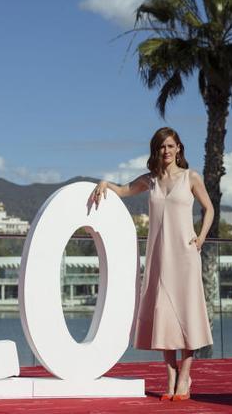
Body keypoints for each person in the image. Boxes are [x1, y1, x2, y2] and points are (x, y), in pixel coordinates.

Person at [89, 127, 214, 401]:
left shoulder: (190, 177)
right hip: (159, 257)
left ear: (179, 148)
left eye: (170, 146)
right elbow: (123, 190)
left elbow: (209, 208)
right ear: (156, 151)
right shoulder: (151, 180)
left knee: (188, 314)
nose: (166, 151)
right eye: (161, 147)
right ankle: (170, 375)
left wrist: (201, 237)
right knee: (164, 316)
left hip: (185, 255)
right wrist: (104, 183)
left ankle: (185, 377)